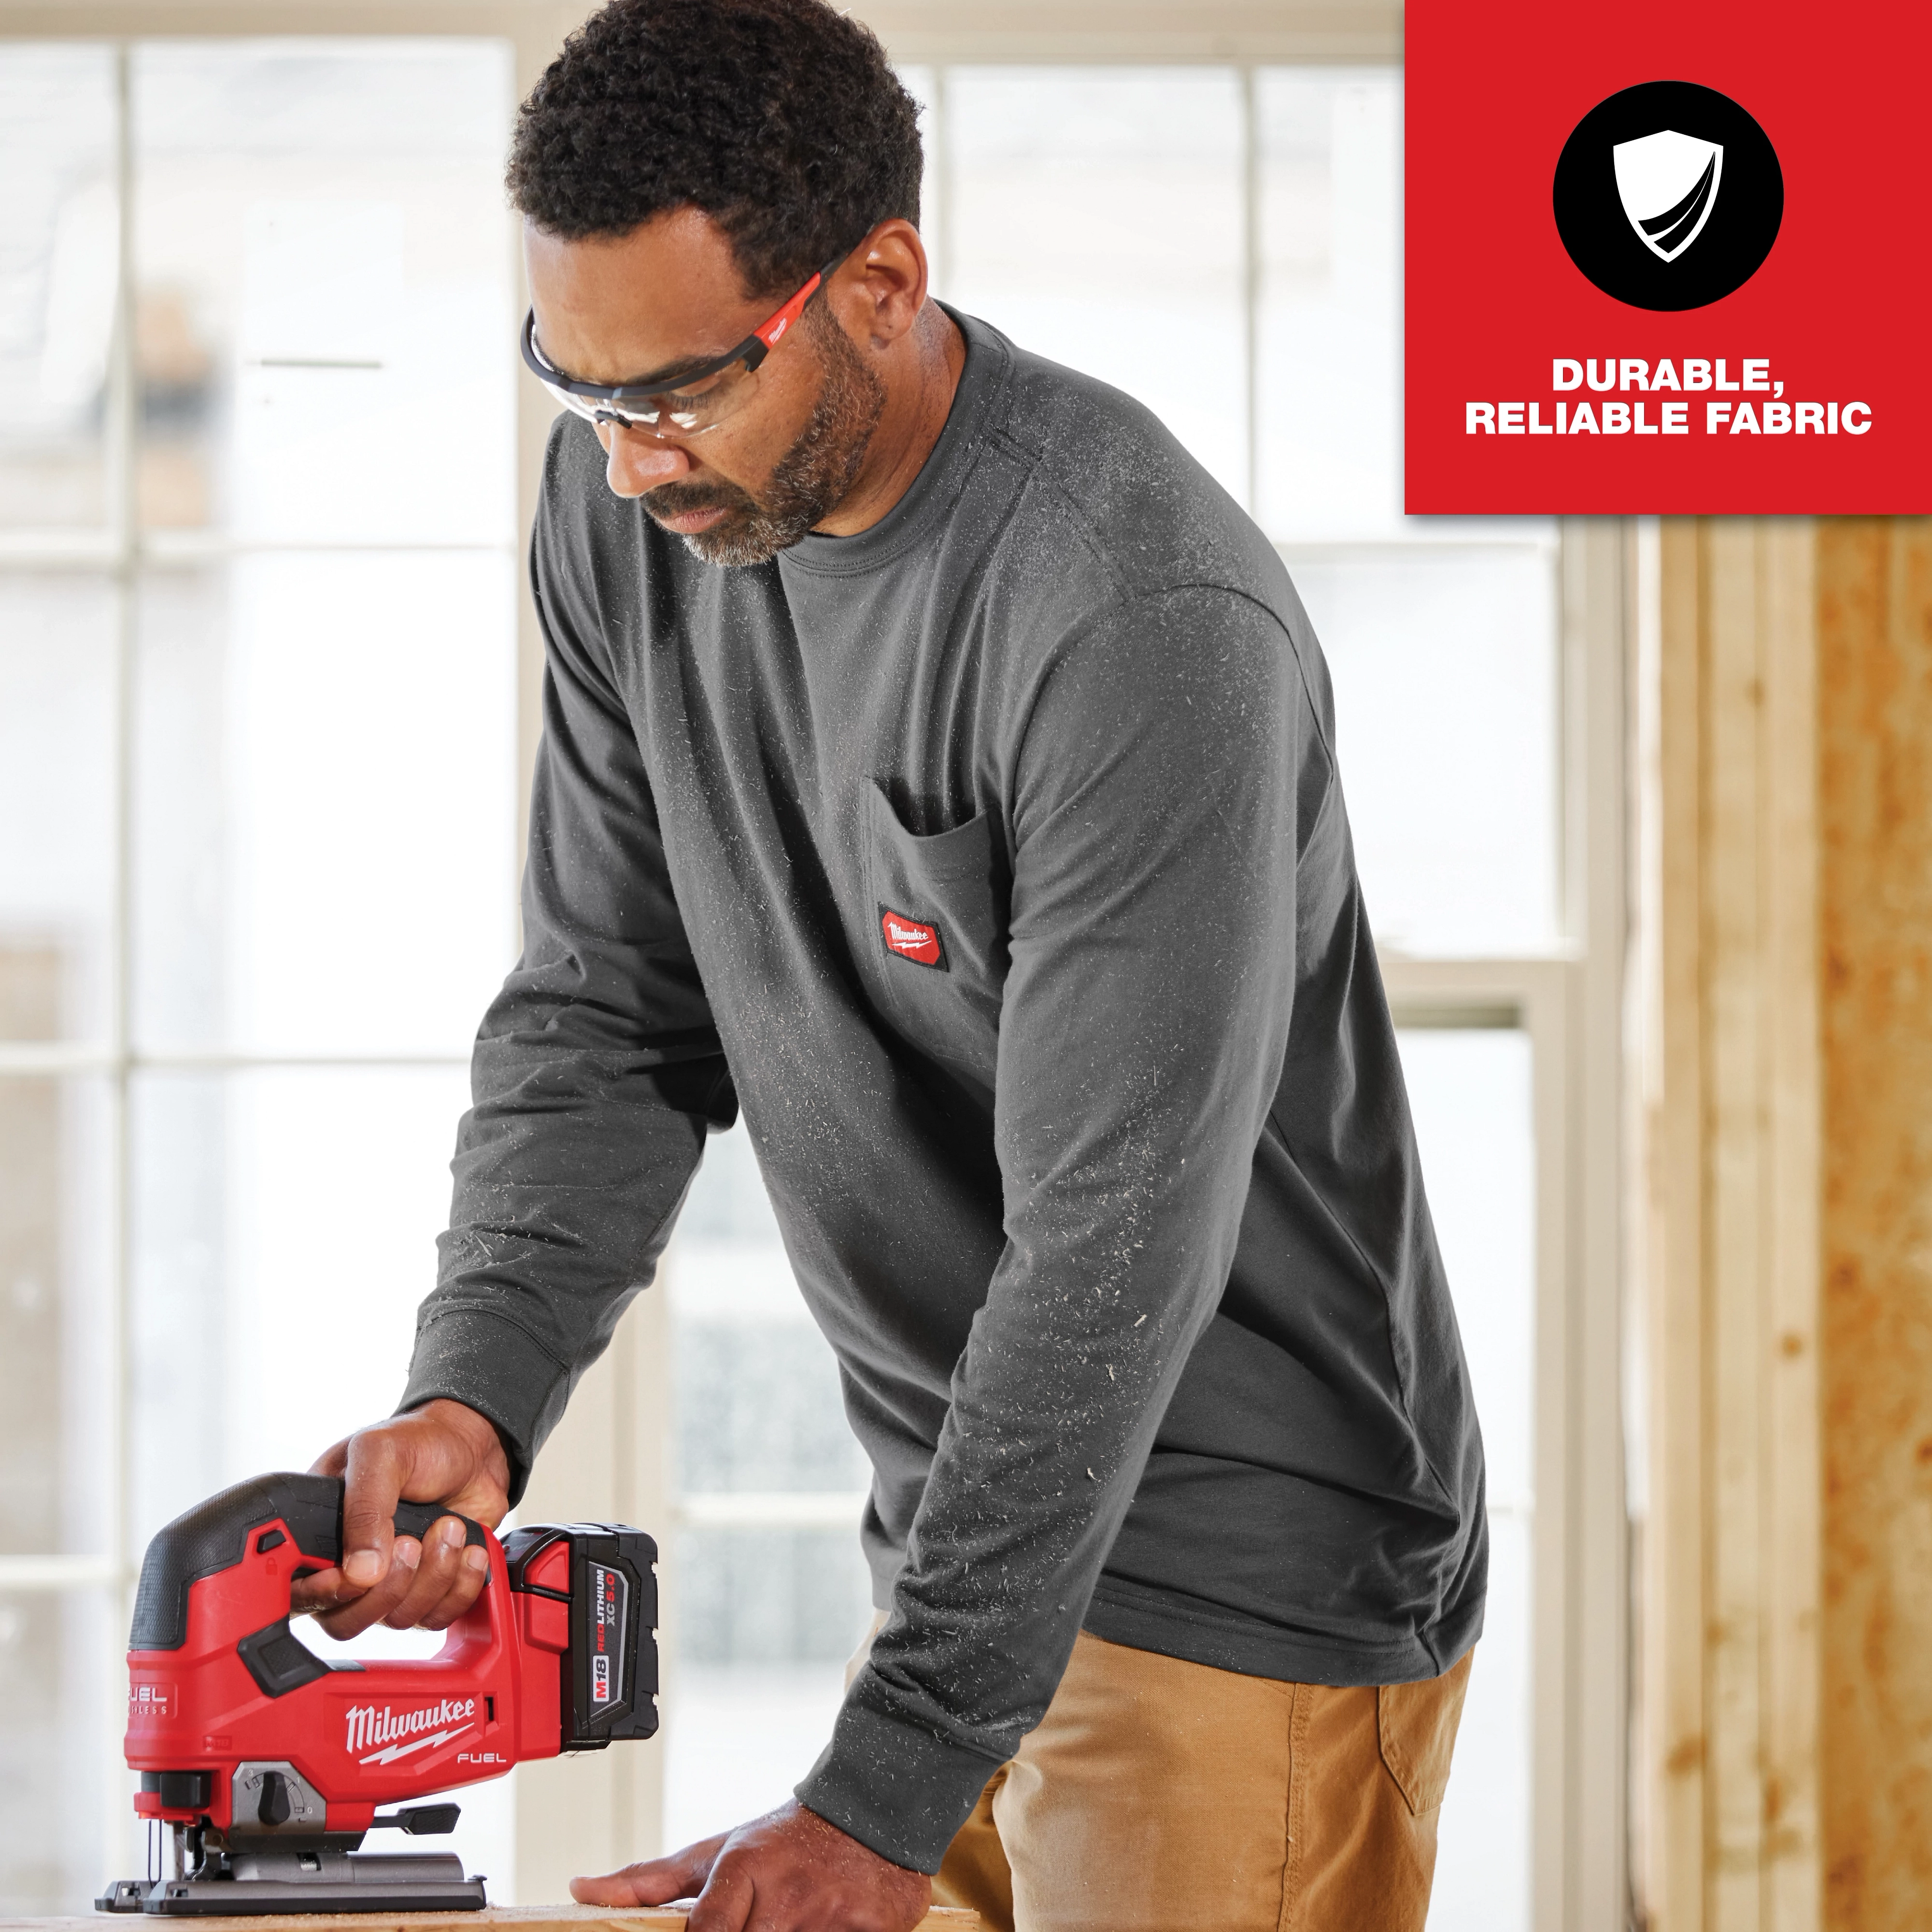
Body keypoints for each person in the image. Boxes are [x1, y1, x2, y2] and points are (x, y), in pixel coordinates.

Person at [291, 3, 1487, 1927]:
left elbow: (1109, 1244)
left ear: (877, 281)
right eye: (573, 390)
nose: (622, 464)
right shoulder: (633, 524)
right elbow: (608, 1010)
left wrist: (883, 1777)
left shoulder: (1130, 610)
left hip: (1236, 1583)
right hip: (960, 1554)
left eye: (674, 389)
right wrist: (479, 1393)